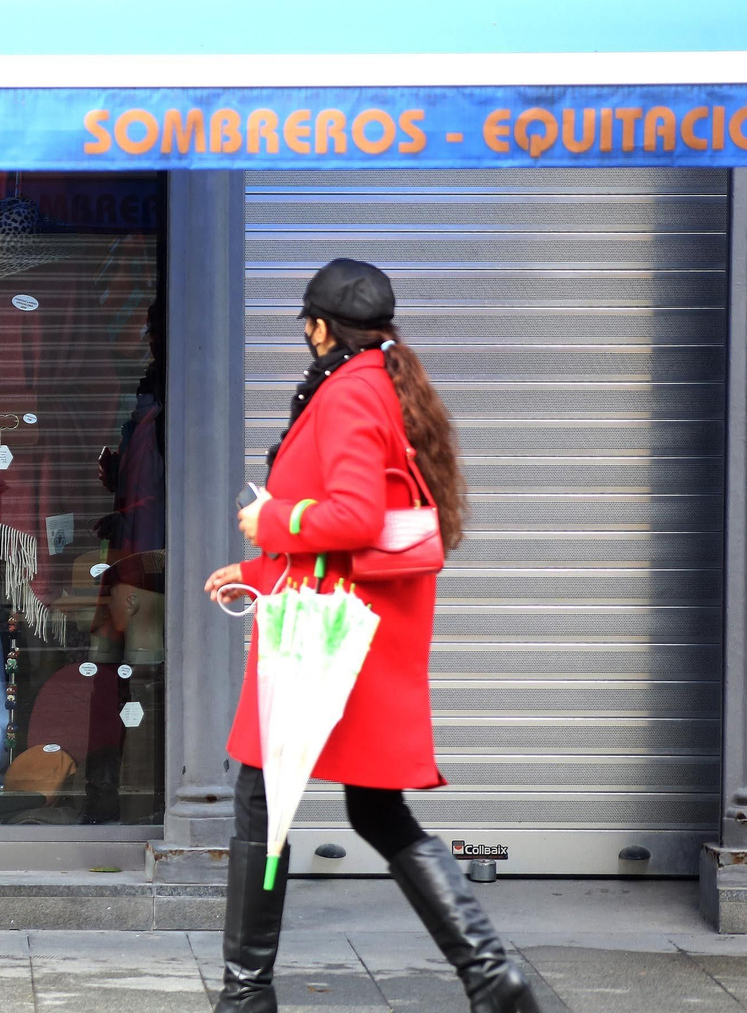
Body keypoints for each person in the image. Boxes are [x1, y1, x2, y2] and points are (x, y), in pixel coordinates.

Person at [203, 259, 539, 1013]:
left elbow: (352, 516)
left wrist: (272, 521)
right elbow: (364, 530)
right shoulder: (382, 383)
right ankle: (491, 975)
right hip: (358, 632)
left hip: (331, 643)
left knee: (265, 796)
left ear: (321, 326)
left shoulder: (350, 392)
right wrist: (258, 568)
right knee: (371, 808)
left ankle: (245, 996)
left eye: (306, 327)